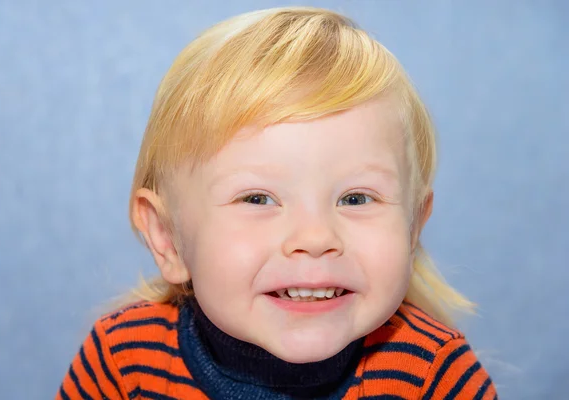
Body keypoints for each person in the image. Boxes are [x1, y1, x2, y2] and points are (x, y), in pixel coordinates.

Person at [57, 7, 497, 399]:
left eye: (356, 198)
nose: (315, 237)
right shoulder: (123, 361)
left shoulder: (433, 375)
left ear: (413, 227)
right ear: (167, 237)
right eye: (258, 198)